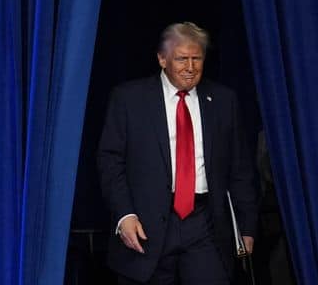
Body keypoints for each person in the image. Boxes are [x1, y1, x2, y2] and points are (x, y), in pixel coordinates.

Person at [97, 22, 258, 284]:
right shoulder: (129, 99)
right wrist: (124, 215)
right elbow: (110, 161)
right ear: (162, 59)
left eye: (197, 58)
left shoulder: (223, 100)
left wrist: (247, 225)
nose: (191, 67)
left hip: (205, 223)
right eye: (182, 59)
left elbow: (239, 168)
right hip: (146, 225)